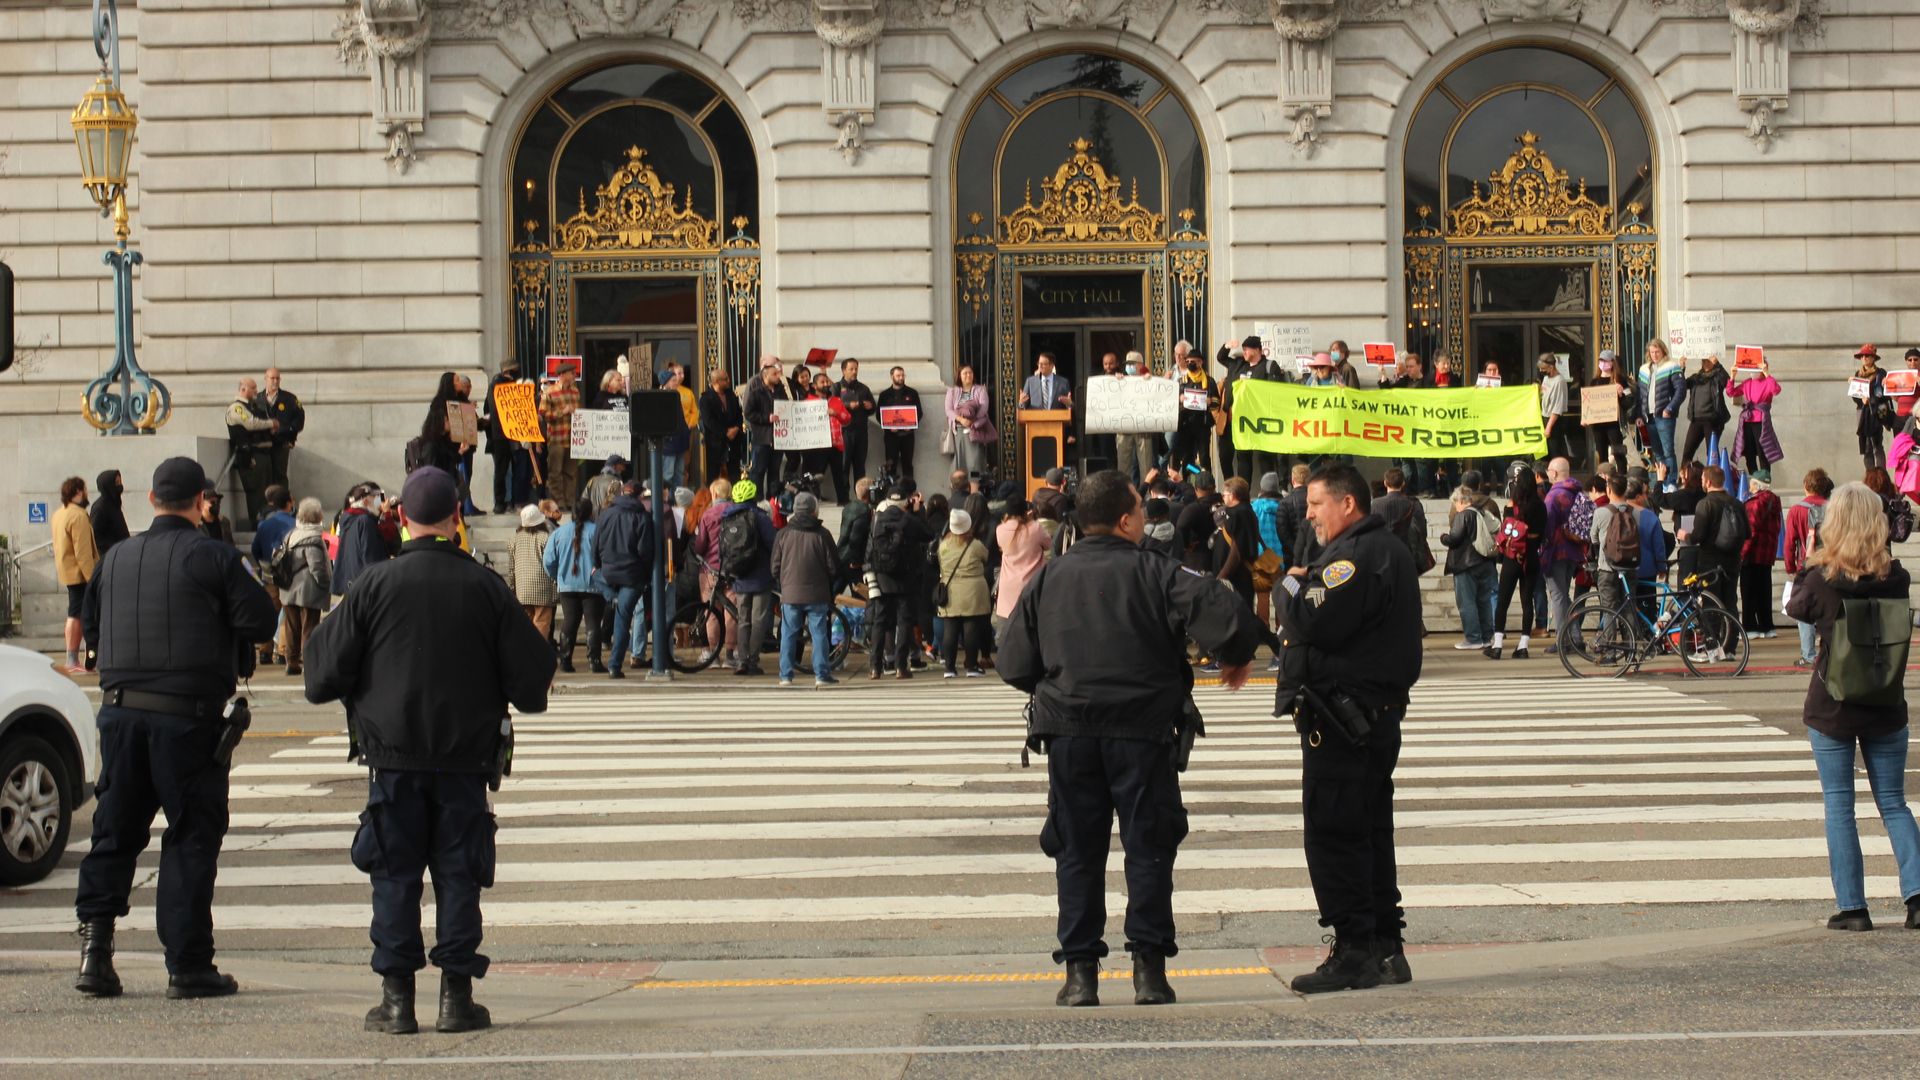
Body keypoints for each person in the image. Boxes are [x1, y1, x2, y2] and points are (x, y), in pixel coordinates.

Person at [303, 466, 552, 1035]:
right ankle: (455, 1000)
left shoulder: (373, 585)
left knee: (394, 877)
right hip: (465, 761)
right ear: (456, 519)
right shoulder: (485, 587)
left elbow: (318, 676)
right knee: (459, 877)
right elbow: (532, 685)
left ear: (403, 521)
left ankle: (395, 1002)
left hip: (391, 760)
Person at [998, 469, 1259, 1007]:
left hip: (1070, 731)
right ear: (1124, 519)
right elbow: (1223, 609)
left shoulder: (1048, 577)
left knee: (1076, 851)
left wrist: (1061, 683)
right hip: (1142, 731)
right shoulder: (1157, 571)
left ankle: (1079, 974)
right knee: (1149, 848)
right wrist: (1237, 653)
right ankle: (1150, 970)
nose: (1143, 517)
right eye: (1140, 509)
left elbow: (1014, 661)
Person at [73, 457, 277, 1001]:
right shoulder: (212, 555)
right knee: (190, 837)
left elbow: (91, 629)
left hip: (118, 713)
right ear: (200, 502)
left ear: (150, 500)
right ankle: (187, 964)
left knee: (113, 834)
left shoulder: (115, 558)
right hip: (187, 721)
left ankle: (95, 953)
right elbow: (261, 619)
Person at [1273, 464, 1422, 993]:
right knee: (1370, 831)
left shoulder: (1354, 557)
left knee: (1335, 834)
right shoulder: (1381, 549)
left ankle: (1354, 948)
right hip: (1370, 714)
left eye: (1315, 504)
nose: (1309, 513)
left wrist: (1290, 582)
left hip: (1343, 718)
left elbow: (1309, 619)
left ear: (1348, 505)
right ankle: (1385, 945)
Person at [1783, 481, 1920, 934]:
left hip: (1833, 705)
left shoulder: (1822, 580)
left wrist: (1811, 557)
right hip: (1885, 700)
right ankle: (1917, 898)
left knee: (1840, 804)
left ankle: (1853, 908)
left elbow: (1794, 607)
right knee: (1894, 804)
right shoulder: (1896, 576)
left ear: (1834, 524)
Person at [771, 490, 840, 688]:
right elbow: (833, 566)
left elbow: (774, 566)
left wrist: (783, 582)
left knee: (788, 633)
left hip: (790, 593)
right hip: (818, 593)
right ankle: (821, 674)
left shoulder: (783, 534)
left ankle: (786, 675)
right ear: (813, 511)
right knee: (819, 634)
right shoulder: (823, 534)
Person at [866, 479, 934, 678]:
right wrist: (916, 511)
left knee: (880, 620)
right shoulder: (909, 521)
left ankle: (875, 667)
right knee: (904, 621)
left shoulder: (878, 519)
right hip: (906, 576)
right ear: (906, 501)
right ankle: (901, 666)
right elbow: (929, 534)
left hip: (883, 576)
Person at [593, 478, 658, 679]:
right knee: (623, 619)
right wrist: (645, 574)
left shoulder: (606, 514)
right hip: (632, 574)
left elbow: (595, 544)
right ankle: (614, 665)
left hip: (608, 571)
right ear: (639, 496)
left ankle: (613, 598)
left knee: (618, 607)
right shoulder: (642, 517)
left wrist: (598, 565)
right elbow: (645, 551)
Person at [718, 479, 778, 677]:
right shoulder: (759, 517)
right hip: (760, 575)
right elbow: (774, 544)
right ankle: (752, 659)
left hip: (740, 575)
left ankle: (741, 659)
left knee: (743, 619)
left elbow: (723, 548)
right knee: (759, 619)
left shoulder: (727, 517)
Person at [1485, 470, 1546, 660]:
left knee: (1502, 601)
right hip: (1532, 558)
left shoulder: (1512, 505)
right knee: (1528, 602)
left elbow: (1507, 530)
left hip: (1512, 558)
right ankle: (1523, 645)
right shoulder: (1541, 506)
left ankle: (1497, 645)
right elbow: (1543, 535)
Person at [1687, 465, 1746, 659]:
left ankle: (1710, 649)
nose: (1702, 483)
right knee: (1730, 603)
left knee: (1710, 604)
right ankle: (1729, 648)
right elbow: (1747, 533)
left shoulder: (1705, 504)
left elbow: (1698, 535)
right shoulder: (1737, 503)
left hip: (1709, 561)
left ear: (1708, 482)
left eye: (1703, 480)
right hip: (1732, 561)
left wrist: (1685, 535)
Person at [1785, 468, 1835, 667]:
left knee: (1804, 606)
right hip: (1832, 563)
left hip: (1806, 565)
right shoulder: (1833, 508)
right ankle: (1828, 650)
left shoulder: (1797, 510)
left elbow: (1790, 542)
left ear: (1806, 486)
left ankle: (1808, 653)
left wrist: (1790, 565)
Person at [934, 508, 991, 677]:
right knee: (971, 629)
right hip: (973, 592)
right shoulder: (975, 545)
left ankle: (949, 668)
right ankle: (972, 666)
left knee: (950, 630)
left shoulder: (943, 546)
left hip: (950, 591)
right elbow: (986, 557)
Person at [277, 497, 331, 677]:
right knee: (310, 627)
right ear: (317, 516)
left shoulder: (291, 534)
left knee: (292, 627)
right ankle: (309, 663)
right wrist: (326, 584)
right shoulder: (313, 538)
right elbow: (317, 567)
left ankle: (291, 662)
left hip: (287, 587)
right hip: (308, 589)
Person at [1441, 484, 1497, 650]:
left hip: (1466, 564)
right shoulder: (1482, 512)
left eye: (1455, 503)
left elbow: (1455, 537)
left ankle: (1473, 638)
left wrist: (1444, 537)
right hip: (1485, 562)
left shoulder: (1463, 515)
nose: (1455, 506)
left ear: (1460, 500)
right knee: (1484, 601)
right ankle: (1487, 637)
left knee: (1467, 602)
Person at [52, 475, 99, 674]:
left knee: (75, 612)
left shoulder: (59, 513)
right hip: (80, 574)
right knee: (77, 614)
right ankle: (72, 659)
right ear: (78, 492)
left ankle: (72, 658)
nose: (87, 493)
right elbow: (83, 552)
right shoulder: (78, 515)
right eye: (85, 489)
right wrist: (93, 577)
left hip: (67, 571)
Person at [1539, 457, 1586, 647]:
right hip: (1574, 550)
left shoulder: (1553, 496)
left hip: (1556, 551)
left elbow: (1548, 526)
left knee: (1558, 596)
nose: (1547, 474)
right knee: (1564, 595)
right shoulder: (1576, 492)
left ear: (1555, 473)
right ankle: (1575, 636)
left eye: (1549, 470)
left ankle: (1562, 640)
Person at [251, 485, 298, 666]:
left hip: (268, 573)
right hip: (289, 575)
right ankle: (282, 651)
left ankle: (264, 650)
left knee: (269, 612)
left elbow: (255, 549)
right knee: (288, 613)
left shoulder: (264, 524)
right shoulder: (294, 524)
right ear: (288, 503)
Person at [224, 376, 279, 529]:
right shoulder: (236, 408)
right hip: (252, 456)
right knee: (256, 494)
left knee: (267, 493)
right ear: (243, 389)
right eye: (253, 388)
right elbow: (250, 423)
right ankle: (258, 526)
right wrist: (271, 423)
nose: (256, 391)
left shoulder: (255, 407)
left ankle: (267, 523)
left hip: (265, 455)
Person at [992, 493, 1047, 638]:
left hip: (1008, 586)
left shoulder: (1000, 530)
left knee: (1007, 632)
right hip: (1032, 583)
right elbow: (1048, 544)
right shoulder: (1035, 528)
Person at [1739, 476, 1783, 639]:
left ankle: (1750, 627)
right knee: (1764, 591)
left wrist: (1742, 553)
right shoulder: (1774, 501)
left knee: (1749, 592)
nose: (1749, 486)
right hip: (1767, 553)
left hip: (1752, 554)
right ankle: (1767, 626)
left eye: (1751, 483)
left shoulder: (1755, 503)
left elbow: (1751, 531)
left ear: (1757, 485)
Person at [1727, 359, 1784, 482]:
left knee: (1763, 451)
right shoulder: (1747, 382)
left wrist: (1766, 372)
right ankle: (1754, 479)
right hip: (1747, 420)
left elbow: (1776, 390)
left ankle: (1765, 479)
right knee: (1749, 452)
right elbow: (1731, 392)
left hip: (1761, 421)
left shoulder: (1767, 381)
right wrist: (1732, 375)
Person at [332, 482, 390, 603]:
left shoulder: (348, 519)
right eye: (377, 498)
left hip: (351, 583)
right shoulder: (365, 521)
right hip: (365, 587)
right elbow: (370, 557)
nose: (379, 503)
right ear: (365, 501)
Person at [744, 355, 793, 497]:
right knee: (758, 471)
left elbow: (786, 406)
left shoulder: (780, 389)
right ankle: (757, 500)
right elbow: (748, 413)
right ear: (766, 375)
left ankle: (773, 501)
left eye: (778, 373)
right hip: (762, 438)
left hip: (778, 439)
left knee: (774, 472)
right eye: (775, 374)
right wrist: (766, 418)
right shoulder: (756, 391)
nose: (778, 376)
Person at [1638, 338, 1685, 485]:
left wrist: (1670, 408)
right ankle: (1662, 482)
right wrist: (1639, 414)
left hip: (1664, 416)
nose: (1654, 355)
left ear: (1663, 351)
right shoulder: (1644, 369)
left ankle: (1671, 482)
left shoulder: (1672, 366)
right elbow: (1640, 394)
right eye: (1652, 352)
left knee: (1668, 451)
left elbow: (1680, 391)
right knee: (1657, 452)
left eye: (1657, 351)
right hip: (1649, 417)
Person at [509, 503, 557, 642]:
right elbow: (551, 562)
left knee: (526, 622)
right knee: (541, 621)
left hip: (522, 588)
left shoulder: (514, 539)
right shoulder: (545, 537)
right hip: (542, 587)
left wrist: (513, 587)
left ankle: (526, 653)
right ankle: (539, 653)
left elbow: (511, 568)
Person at [1585, 350, 1633, 475]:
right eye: (1601, 361)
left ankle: (1622, 477)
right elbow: (1588, 403)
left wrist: (1621, 394)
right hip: (1598, 424)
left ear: (1612, 362)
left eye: (1606, 361)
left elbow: (1629, 402)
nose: (1603, 363)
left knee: (1618, 453)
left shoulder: (1620, 380)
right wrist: (1585, 417)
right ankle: (1604, 479)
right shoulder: (1594, 382)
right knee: (1602, 454)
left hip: (1614, 424)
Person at [541, 362, 583, 500]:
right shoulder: (550, 392)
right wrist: (562, 412)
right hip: (557, 439)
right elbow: (543, 414)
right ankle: (558, 502)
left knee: (571, 473)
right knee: (555, 473)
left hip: (573, 438)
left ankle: (570, 501)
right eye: (572, 373)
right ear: (562, 375)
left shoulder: (575, 392)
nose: (574, 375)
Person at [1681, 353, 1732, 465]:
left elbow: (1727, 382)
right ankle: (1683, 479)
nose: (1706, 364)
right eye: (1704, 361)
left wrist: (1718, 364)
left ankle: (1715, 480)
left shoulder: (1717, 377)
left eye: (1709, 361)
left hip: (1712, 420)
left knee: (1712, 453)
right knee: (1687, 452)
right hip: (1696, 420)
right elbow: (1681, 386)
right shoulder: (1695, 378)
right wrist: (1682, 368)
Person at [833, 358, 876, 488]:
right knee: (844, 465)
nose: (854, 372)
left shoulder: (863, 388)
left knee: (860, 465)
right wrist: (847, 405)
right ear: (843, 370)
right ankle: (844, 496)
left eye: (856, 369)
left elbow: (873, 407)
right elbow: (832, 406)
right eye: (851, 369)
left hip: (861, 432)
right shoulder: (837, 387)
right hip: (844, 432)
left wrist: (870, 406)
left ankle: (861, 495)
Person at [261, 367, 304, 493]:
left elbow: (299, 419)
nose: (275, 381)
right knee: (265, 477)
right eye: (272, 378)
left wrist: (285, 431)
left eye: (277, 378)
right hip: (263, 445)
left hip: (282, 444)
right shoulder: (258, 399)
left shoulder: (290, 398)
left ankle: (281, 503)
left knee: (280, 476)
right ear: (265, 379)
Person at [698, 367, 745, 484]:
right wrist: (725, 433)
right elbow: (709, 421)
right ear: (717, 382)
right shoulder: (706, 399)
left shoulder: (731, 395)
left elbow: (739, 414)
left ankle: (736, 499)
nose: (728, 381)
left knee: (734, 474)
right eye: (725, 379)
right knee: (713, 475)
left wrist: (736, 428)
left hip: (733, 441)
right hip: (716, 443)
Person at [946, 363, 993, 475]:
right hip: (959, 433)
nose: (968, 375)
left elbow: (984, 407)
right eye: (965, 373)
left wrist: (972, 421)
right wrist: (960, 419)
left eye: (970, 373)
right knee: (959, 464)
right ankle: (959, 487)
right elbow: (948, 410)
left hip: (975, 431)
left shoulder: (980, 390)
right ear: (959, 376)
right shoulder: (952, 391)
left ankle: (974, 488)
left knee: (974, 464)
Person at [877, 366, 921, 481]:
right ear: (892, 376)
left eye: (903, 375)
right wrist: (888, 427)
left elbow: (919, 413)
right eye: (898, 375)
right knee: (890, 466)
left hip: (908, 436)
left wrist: (911, 426)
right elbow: (879, 415)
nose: (901, 378)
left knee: (908, 465)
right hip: (891, 437)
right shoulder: (884, 395)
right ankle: (892, 494)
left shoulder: (912, 393)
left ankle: (910, 494)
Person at [1853, 344, 1890, 470]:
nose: (1864, 358)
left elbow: (1885, 394)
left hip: (1876, 412)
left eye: (1867, 356)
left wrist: (1872, 400)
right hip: (1863, 412)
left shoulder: (1881, 373)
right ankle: (1870, 477)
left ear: (1873, 358)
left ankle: (1881, 476)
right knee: (1866, 446)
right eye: (1862, 356)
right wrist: (1861, 400)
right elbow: (1855, 396)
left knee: (1877, 444)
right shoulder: (1857, 374)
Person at [837, 476, 875, 593]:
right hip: (853, 562)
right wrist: (856, 561)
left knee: (834, 592)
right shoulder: (864, 511)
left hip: (841, 555)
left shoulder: (848, 507)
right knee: (860, 595)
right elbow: (856, 538)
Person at [88, 468, 131, 557]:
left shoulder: (114, 503)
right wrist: (114, 548)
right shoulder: (100, 507)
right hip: (109, 557)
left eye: (120, 482)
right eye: (116, 483)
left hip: (120, 554)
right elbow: (95, 536)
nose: (120, 485)